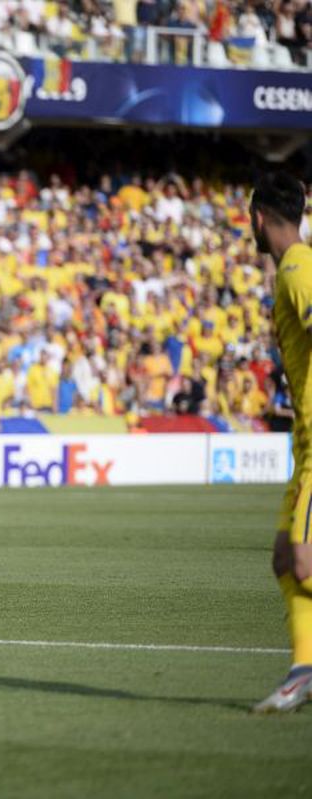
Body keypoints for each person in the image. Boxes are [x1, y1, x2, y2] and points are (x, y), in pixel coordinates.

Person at [250, 173, 312, 713]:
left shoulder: (298, 269)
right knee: (283, 559)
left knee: (305, 558)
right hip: (305, 445)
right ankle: (303, 669)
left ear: (259, 216)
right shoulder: (291, 271)